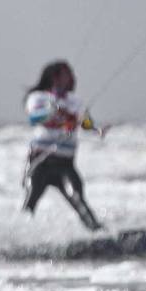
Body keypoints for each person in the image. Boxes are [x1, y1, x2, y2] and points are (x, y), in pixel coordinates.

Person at [22, 60, 103, 232]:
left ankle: (97, 233)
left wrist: (92, 126)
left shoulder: (75, 101)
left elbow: (86, 123)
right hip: (41, 160)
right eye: (67, 73)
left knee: (78, 198)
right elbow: (34, 118)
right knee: (32, 198)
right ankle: (18, 234)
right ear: (55, 77)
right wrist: (55, 112)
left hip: (65, 163)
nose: (72, 77)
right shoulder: (38, 97)